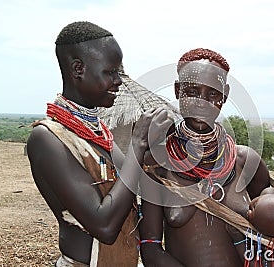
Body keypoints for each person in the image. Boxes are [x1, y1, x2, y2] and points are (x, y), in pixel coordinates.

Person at [27, 21, 172, 266]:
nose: (119, 81)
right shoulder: (48, 138)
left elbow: (129, 184)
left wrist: (153, 146)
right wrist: (137, 144)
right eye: (110, 72)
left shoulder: (98, 132)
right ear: (78, 69)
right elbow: (104, 225)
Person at [138, 48, 274, 266]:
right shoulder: (157, 165)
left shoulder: (245, 161)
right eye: (192, 91)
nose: (202, 102)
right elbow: (151, 250)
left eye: (213, 93)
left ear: (225, 94)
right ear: (177, 90)